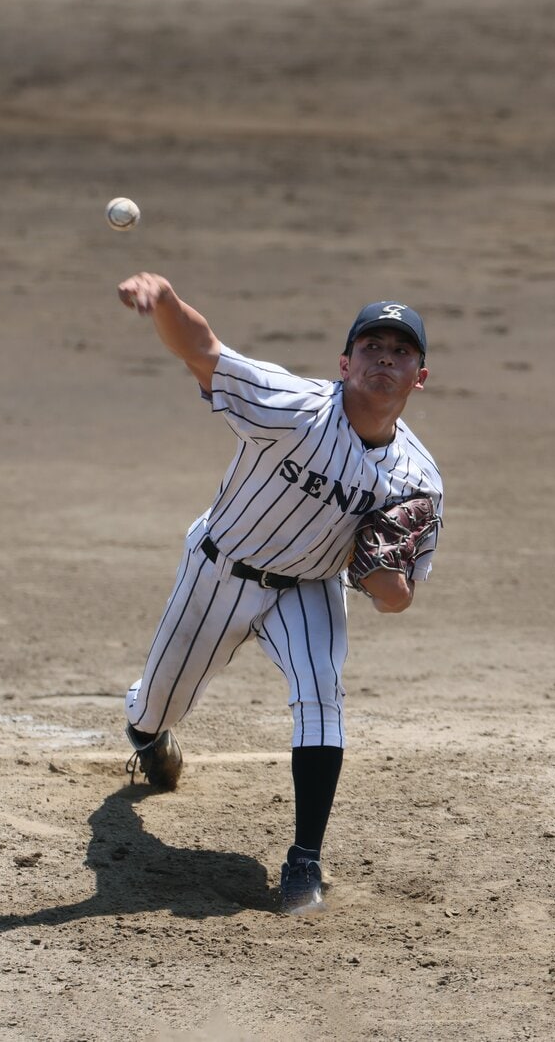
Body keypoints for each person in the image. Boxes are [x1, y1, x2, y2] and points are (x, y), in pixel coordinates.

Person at [117, 272, 443, 915]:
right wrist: (165, 302)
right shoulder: (293, 406)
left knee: (322, 693)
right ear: (345, 362)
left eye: (401, 351)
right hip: (218, 572)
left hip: (309, 588)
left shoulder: (418, 479)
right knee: (156, 708)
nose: (385, 358)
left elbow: (395, 597)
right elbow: (204, 351)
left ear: (419, 377)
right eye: (372, 346)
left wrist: (386, 583)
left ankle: (305, 861)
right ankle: (150, 740)